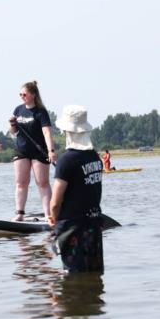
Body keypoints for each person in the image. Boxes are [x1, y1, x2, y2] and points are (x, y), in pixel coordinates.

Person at [48, 106, 104, 274]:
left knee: (74, 277)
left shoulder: (66, 160)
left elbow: (55, 202)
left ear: (67, 131)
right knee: (94, 275)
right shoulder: (95, 157)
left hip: (72, 230)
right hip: (94, 226)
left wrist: (53, 219)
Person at [8, 81, 56, 221]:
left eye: (24, 94)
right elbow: (13, 132)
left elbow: (47, 132)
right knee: (21, 183)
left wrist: (51, 151)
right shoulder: (18, 110)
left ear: (33, 95)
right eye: (20, 94)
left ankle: (48, 215)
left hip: (38, 151)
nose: (22, 97)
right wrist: (12, 123)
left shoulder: (41, 112)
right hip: (22, 150)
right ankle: (19, 213)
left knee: (42, 183)